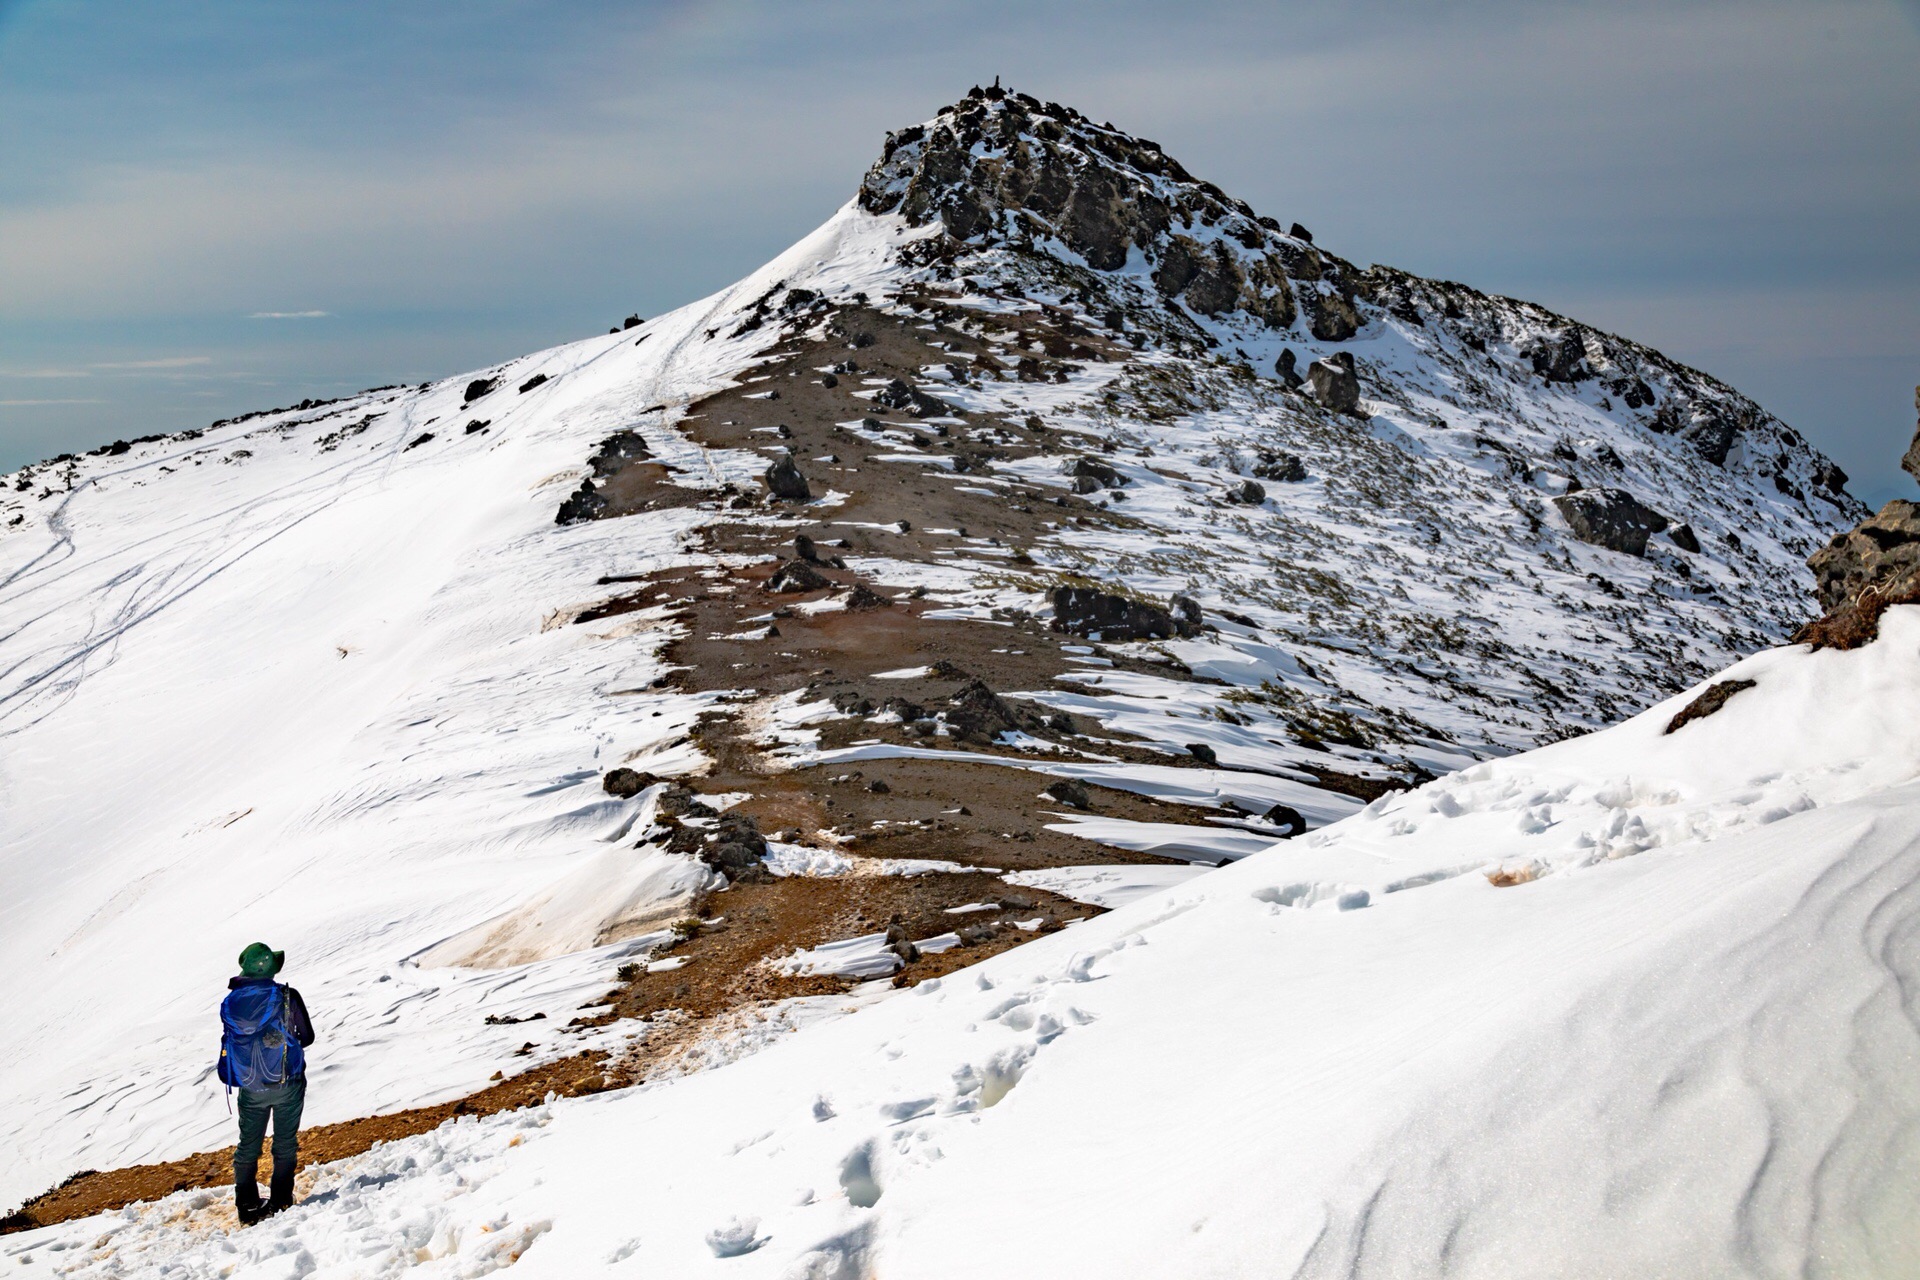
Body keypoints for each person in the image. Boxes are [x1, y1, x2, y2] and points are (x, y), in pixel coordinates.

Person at [217, 942, 317, 1225]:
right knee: (285, 1144)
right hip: (288, 1082)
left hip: (250, 1086)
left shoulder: (231, 1003)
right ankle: (281, 1201)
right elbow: (307, 1036)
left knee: (248, 1146)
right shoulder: (287, 996)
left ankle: (247, 1206)